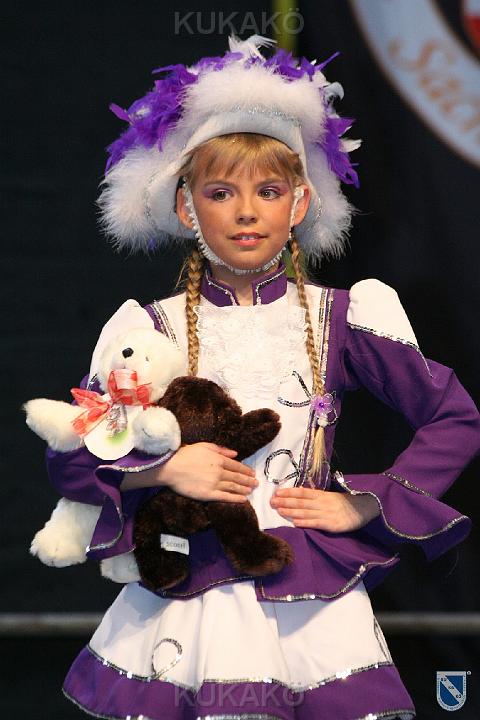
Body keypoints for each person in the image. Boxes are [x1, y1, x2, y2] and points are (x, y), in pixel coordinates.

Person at [44, 36, 480, 719]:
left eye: (268, 191)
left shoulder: (342, 317)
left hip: (311, 600)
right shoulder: (148, 333)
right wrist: (165, 470)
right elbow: (71, 459)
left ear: (299, 204)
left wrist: (367, 501)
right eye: (221, 193)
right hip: (188, 593)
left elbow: (454, 416)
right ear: (187, 209)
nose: (246, 211)